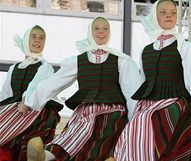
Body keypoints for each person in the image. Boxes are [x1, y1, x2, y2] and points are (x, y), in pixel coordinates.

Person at [24, 16, 142, 161]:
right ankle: (45, 156)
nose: (101, 32)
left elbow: (132, 90)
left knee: (90, 125)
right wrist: (30, 101)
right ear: (90, 31)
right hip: (85, 110)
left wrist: (135, 119)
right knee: (76, 128)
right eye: (97, 28)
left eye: (105, 28)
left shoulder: (121, 60)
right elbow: (54, 82)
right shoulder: (78, 61)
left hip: (113, 111)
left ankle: (49, 156)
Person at [113, 0, 191, 161]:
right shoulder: (146, 51)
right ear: (154, 16)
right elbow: (143, 84)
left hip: (177, 104)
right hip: (149, 104)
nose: (169, 15)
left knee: (146, 121)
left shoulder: (186, 47)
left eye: (173, 12)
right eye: (163, 12)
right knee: (132, 129)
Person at [0, 25, 63, 161]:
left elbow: (36, 87)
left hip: (35, 108)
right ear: (26, 40)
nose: (38, 40)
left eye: (42, 38)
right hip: (15, 107)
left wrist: (25, 101)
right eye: (33, 36)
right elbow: (5, 94)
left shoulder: (45, 67)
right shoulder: (14, 68)